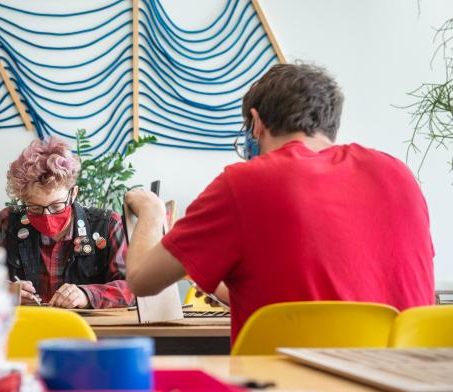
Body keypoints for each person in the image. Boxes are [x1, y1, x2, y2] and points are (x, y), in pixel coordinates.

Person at [124, 63, 435, 346]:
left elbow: (141, 281)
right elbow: (307, 301)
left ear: (256, 123)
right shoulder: (398, 174)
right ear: (330, 125)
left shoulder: (242, 183)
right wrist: (203, 271)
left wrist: (151, 211)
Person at [0, 136, 134, 309]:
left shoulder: (107, 225)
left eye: (57, 206)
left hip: (87, 333)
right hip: (26, 330)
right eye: (34, 208)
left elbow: (133, 288)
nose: (47, 216)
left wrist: (88, 295)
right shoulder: (6, 223)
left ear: (73, 194)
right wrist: (7, 292)